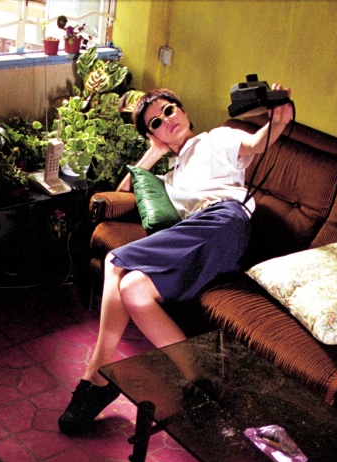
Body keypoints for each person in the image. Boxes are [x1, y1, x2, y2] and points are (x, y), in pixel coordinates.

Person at [59, 87, 294, 435]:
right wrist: (154, 152)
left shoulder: (217, 139)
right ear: (153, 135)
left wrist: (280, 119)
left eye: (169, 110)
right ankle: (201, 382)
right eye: (156, 122)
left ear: (182, 110)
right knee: (134, 290)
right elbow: (125, 190)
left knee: (115, 260)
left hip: (225, 223)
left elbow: (257, 143)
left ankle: (97, 374)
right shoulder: (172, 175)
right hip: (201, 236)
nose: (167, 120)